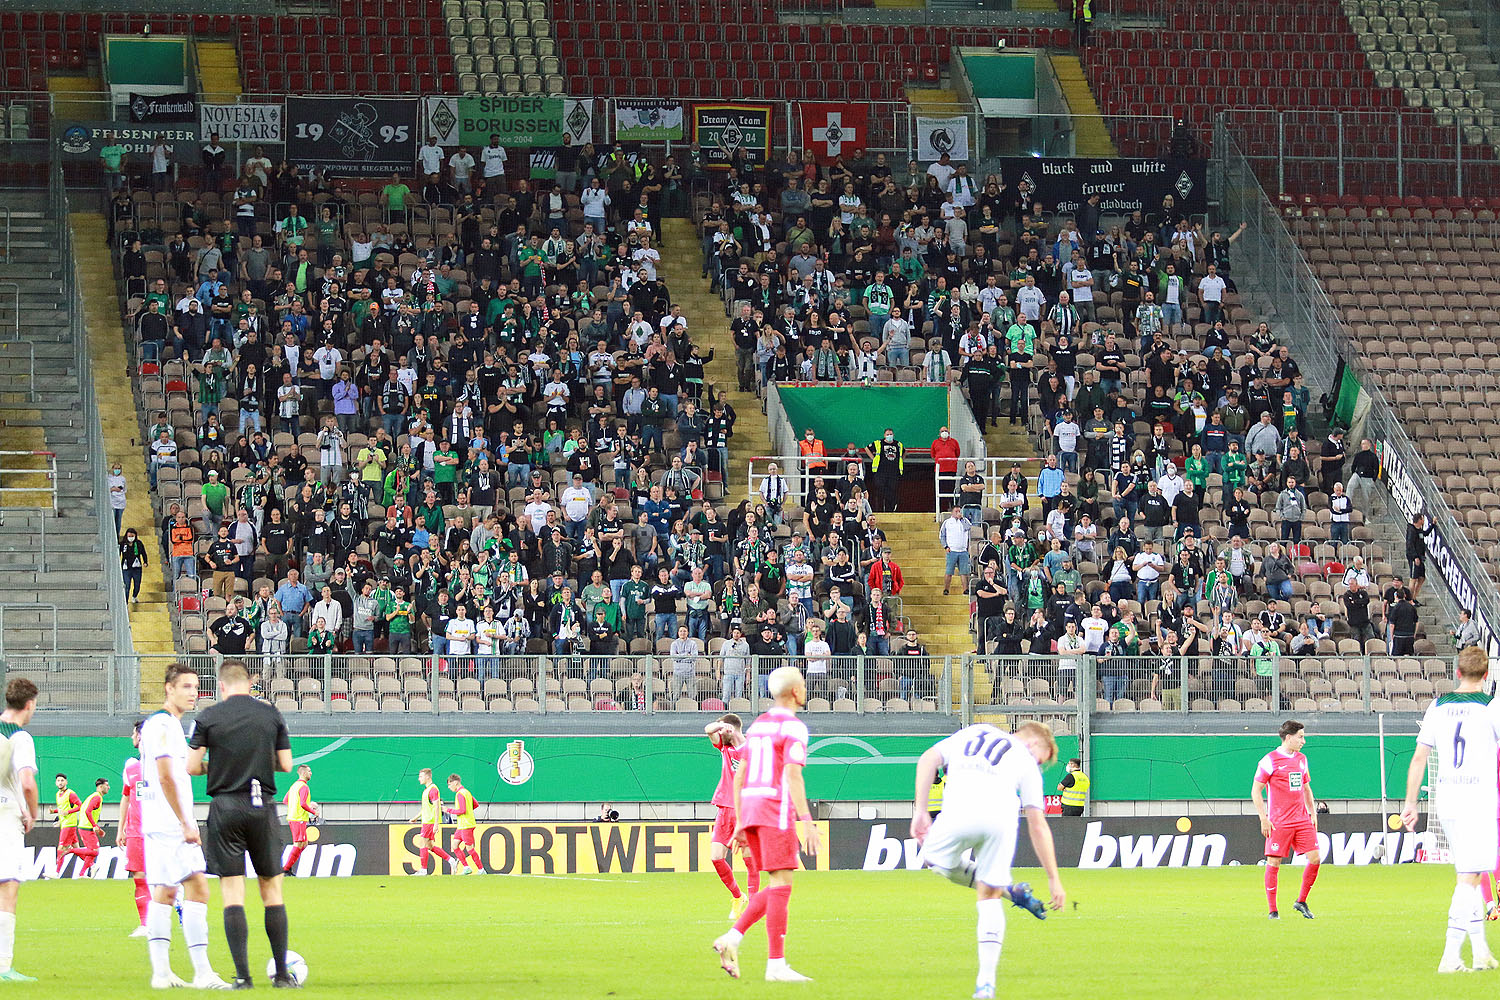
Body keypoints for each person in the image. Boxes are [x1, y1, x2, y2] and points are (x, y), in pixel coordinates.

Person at [910, 721, 1065, 1000]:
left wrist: (920, 810)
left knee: (934, 860)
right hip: (1001, 820)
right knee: (989, 895)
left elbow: (928, 758)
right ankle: (985, 985)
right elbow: (1038, 825)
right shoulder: (1024, 759)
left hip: (958, 812)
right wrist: (1054, 879)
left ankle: (1007, 891)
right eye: (1039, 759)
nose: (1037, 765)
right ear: (1032, 744)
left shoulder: (974, 731)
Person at [185, 659, 295, 989]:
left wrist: (218, 766)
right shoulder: (270, 713)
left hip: (225, 807)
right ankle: (280, 975)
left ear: (220, 686)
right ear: (249, 683)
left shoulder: (207, 716)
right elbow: (287, 765)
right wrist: (257, 761)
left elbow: (192, 766)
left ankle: (243, 977)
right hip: (262, 805)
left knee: (233, 892)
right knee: (271, 890)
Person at [712, 666, 820, 982]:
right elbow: (791, 774)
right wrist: (807, 820)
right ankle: (776, 965)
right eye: (802, 685)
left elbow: (741, 773)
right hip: (776, 809)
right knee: (782, 884)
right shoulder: (794, 727)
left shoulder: (759, 725)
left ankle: (732, 939)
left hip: (753, 808)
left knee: (776, 884)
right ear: (796, 692)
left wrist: (744, 820)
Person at [1401, 647, 1500, 972]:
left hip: (1447, 798)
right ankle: (1451, 955)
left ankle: (1481, 951)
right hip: (1479, 797)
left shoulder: (1438, 706)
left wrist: (1411, 803)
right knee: (1469, 878)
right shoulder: (1491, 707)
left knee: (1466, 873)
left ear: (1457, 672)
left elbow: (1418, 758)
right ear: (1486, 675)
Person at [140, 663, 231, 989]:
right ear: (169, 688)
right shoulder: (164, 725)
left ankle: (161, 973)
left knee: (164, 893)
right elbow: (165, 775)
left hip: (157, 821)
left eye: (195, 687)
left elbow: (185, 770)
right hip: (170, 823)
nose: (194, 693)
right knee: (198, 888)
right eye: (186, 687)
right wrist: (184, 822)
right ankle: (202, 972)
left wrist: (220, 766)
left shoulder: (164, 726)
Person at [1252, 720, 1319, 920]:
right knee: (1274, 862)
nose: (1303, 741)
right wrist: (1263, 818)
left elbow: (1306, 788)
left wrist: (1312, 812)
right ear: (1288, 738)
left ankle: (1301, 901)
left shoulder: (1302, 759)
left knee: (1315, 858)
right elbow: (1256, 790)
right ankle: (1273, 910)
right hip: (1279, 821)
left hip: (1301, 819)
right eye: (1300, 737)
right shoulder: (1269, 760)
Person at [0, 677, 39, 982]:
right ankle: (3, 966)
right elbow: (27, 781)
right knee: (8, 888)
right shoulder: (20, 737)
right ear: (29, 704)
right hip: (5, 814)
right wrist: (32, 813)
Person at [704, 714, 759, 919]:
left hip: (745, 809)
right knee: (716, 858)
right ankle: (738, 897)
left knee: (749, 857)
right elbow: (708, 729)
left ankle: (753, 903)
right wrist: (720, 726)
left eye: (723, 729)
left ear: (732, 729)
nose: (717, 734)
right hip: (725, 809)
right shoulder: (724, 747)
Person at [118, 719, 150, 937]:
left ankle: (178, 909)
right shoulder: (130, 767)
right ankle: (146, 924)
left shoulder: (161, 765)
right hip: (136, 830)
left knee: (164, 878)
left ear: (141, 736)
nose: (131, 737)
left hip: (160, 830)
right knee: (139, 876)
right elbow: (125, 798)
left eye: (133, 733)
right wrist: (121, 829)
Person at [410, 767, 457, 875]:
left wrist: (436, 824)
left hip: (429, 822)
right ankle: (451, 860)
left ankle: (423, 870)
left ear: (427, 777)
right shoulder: (427, 790)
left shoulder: (433, 789)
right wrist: (416, 817)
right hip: (427, 821)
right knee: (430, 846)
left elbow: (437, 807)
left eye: (420, 776)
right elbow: (426, 808)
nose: (419, 779)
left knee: (422, 843)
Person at [281, 763, 320, 876]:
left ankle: (288, 867)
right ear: (303, 773)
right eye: (309, 771)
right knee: (298, 844)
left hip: (294, 817)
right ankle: (286, 869)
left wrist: (294, 807)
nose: (311, 773)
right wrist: (314, 812)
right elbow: (303, 803)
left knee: (304, 843)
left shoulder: (294, 786)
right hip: (298, 819)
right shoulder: (304, 787)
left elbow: (285, 800)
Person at [444, 773, 484, 875]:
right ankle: (466, 867)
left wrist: (448, 810)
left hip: (466, 825)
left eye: (449, 784)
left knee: (469, 849)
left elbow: (462, 810)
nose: (449, 787)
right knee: (454, 845)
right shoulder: (466, 792)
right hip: (462, 825)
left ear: (455, 782)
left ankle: (481, 869)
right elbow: (475, 804)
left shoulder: (460, 794)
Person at [72, 778, 107, 877]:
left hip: (84, 826)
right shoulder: (97, 797)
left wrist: (97, 828)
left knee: (92, 852)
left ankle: (83, 873)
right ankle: (69, 851)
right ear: (100, 787)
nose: (108, 787)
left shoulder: (93, 796)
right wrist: (94, 825)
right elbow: (88, 811)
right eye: (107, 785)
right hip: (86, 828)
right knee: (94, 851)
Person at [865, 428, 905, 512]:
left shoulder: (898, 444)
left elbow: (905, 452)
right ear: (884, 435)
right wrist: (873, 458)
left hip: (894, 473)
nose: (889, 436)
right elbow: (867, 448)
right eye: (887, 434)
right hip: (880, 472)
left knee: (892, 490)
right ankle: (879, 510)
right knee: (880, 489)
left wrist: (900, 460)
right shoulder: (878, 443)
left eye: (891, 434)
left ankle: (890, 509)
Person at [51, 773, 82, 876]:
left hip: (69, 824)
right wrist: (54, 811)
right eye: (58, 781)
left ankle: (56, 873)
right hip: (64, 824)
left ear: (66, 782)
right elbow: (62, 810)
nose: (60, 782)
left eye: (62, 780)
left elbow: (80, 806)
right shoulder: (57, 794)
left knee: (60, 848)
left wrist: (68, 812)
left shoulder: (70, 793)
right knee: (77, 849)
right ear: (56, 783)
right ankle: (92, 866)